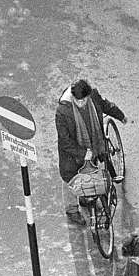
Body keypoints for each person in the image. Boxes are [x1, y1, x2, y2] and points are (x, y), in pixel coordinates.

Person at [55, 78, 127, 223]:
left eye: (84, 100)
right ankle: (72, 210)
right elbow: (65, 140)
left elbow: (106, 105)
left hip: (93, 145)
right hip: (72, 155)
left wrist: (120, 116)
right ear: (73, 97)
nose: (81, 104)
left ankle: (86, 197)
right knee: (70, 179)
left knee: (91, 171)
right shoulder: (63, 111)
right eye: (78, 101)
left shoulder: (93, 96)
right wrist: (82, 153)